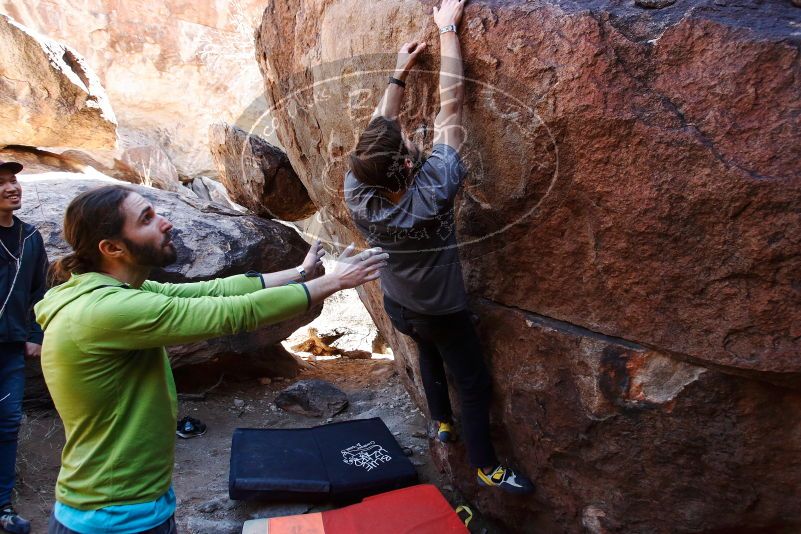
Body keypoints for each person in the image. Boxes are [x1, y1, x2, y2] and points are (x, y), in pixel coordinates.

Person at [35, 185, 386, 534]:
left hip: (131, 504)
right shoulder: (104, 310)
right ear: (112, 248)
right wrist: (335, 281)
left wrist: (302, 273)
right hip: (112, 517)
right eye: (146, 219)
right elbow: (230, 313)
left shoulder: (116, 292)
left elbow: (215, 290)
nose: (166, 221)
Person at [345, 0, 533, 494]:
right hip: (445, 310)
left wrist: (397, 75)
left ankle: (440, 422)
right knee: (474, 385)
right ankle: (487, 466)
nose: (406, 136)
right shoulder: (434, 189)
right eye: (406, 142)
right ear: (408, 165)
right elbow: (452, 104)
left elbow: (376, 143)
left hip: (400, 303)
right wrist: (448, 28)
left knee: (424, 350)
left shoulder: (359, 193)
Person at [0, 159, 48, 534]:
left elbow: (39, 291)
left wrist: (35, 334)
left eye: (13, 180)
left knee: (8, 423)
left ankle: (2, 505)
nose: (11, 187)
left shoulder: (29, 237)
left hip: (11, 349)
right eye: (1, 183)